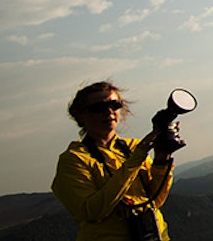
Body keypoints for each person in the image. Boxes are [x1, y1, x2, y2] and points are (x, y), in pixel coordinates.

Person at [52, 81, 180, 241]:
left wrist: (162, 158)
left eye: (115, 104)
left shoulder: (132, 148)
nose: (109, 111)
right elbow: (92, 211)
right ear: (81, 115)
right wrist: (136, 159)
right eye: (99, 107)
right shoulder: (73, 160)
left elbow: (155, 200)